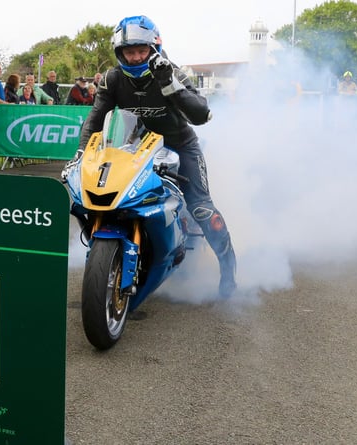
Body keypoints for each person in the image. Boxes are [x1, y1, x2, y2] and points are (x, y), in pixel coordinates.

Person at [61, 15, 237, 298]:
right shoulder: (112, 79)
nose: (135, 58)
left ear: (154, 48)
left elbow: (201, 114)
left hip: (180, 147)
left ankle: (228, 272)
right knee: (94, 198)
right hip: (133, 148)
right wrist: (80, 155)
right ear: (120, 53)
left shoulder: (172, 72)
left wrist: (169, 84)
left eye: (141, 51)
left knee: (202, 208)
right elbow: (95, 121)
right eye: (129, 52)